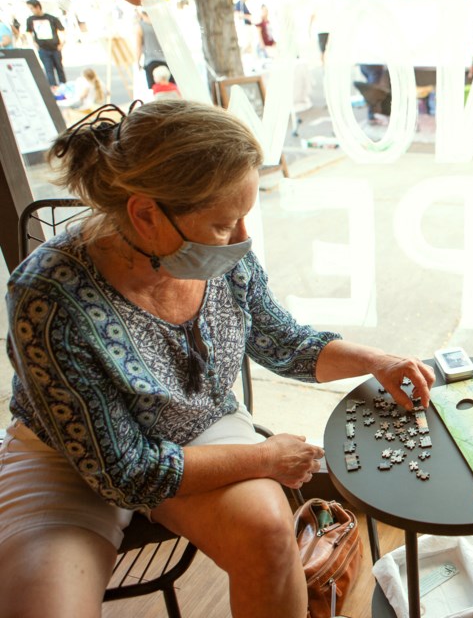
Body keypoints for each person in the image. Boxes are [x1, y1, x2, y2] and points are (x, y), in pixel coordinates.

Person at [0, 99, 435, 617]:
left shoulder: (226, 261)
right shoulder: (47, 296)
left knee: (270, 533)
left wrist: (377, 361)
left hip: (197, 424)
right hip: (65, 458)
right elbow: (125, 472)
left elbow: (285, 342)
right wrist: (265, 457)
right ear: (145, 214)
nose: (243, 240)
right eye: (226, 223)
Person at [25, 0, 66, 91]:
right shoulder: (30, 20)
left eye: (32, 8)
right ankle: (53, 87)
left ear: (37, 7)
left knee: (59, 68)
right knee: (48, 69)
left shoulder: (51, 18)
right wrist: (33, 43)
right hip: (43, 48)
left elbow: (62, 30)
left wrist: (62, 43)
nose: (31, 11)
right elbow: (28, 32)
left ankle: (64, 86)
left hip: (55, 47)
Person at [134, 9, 173, 91]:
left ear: (141, 13)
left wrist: (138, 62)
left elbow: (139, 47)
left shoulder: (140, 26)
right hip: (165, 61)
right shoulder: (161, 24)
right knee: (169, 89)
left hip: (150, 62)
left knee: (156, 90)